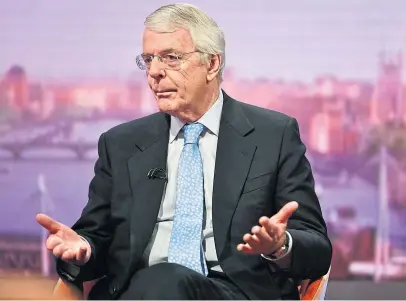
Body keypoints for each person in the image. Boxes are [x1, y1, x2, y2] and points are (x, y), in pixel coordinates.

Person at [36, 3, 332, 300]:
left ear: (212, 64)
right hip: (136, 292)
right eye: (148, 59)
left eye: (170, 58)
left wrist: (281, 245)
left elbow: (317, 248)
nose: (154, 72)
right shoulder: (120, 144)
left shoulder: (273, 135)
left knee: (170, 278)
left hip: (234, 293)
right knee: (163, 281)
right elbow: (95, 239)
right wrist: (83, 250)